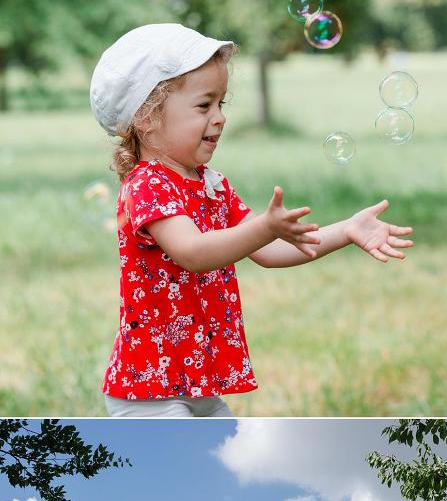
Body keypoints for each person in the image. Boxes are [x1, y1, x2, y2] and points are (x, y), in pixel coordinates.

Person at [89, 24, 414, 415]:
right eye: (203, 105)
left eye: (221, 104)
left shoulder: (211, 184)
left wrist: (346, 230)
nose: (219, 118)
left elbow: (270, 250)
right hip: (151, 387)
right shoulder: (148, 184)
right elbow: (192, 251)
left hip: (196, 378)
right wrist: (263, 227)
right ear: (146, 117)